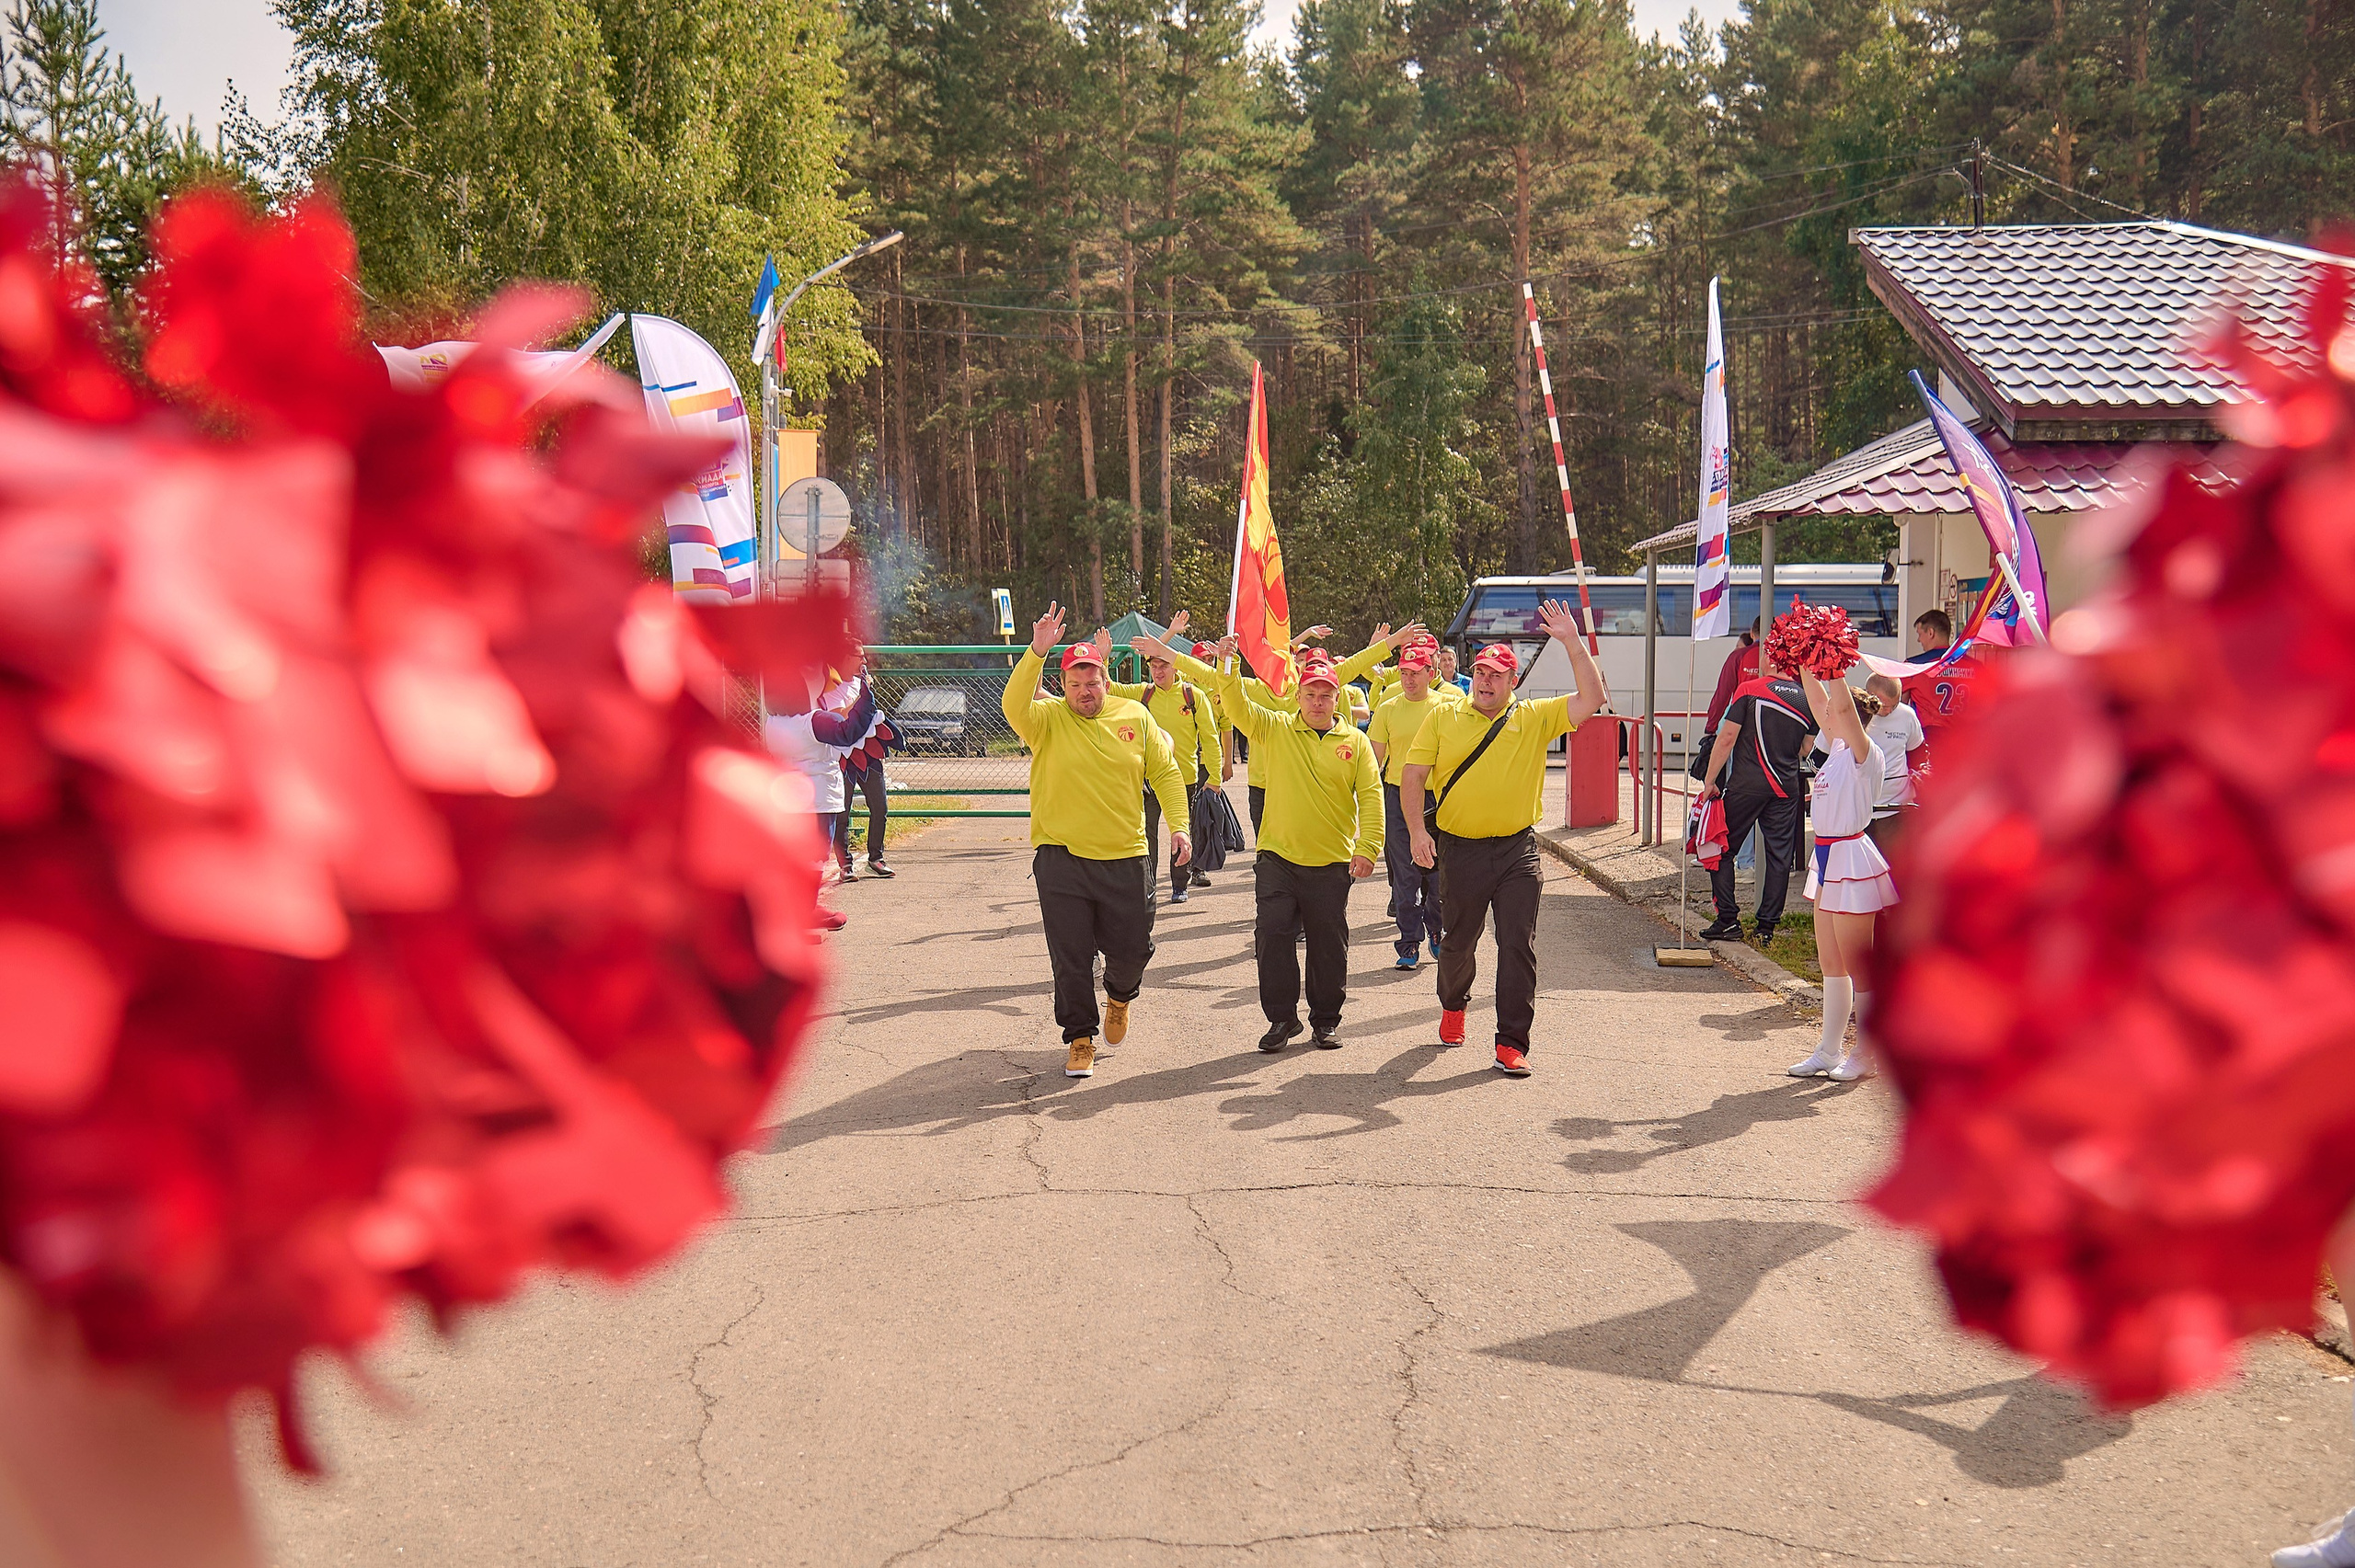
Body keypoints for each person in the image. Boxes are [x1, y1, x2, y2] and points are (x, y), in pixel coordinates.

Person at [1402, 601, 1610, 1079]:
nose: (1485, 681)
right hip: (1460, 849)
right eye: (1479, 672)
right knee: (1457, 945)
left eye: (1496, 675)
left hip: (1518, 850)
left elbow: (1592, 698)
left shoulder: (1535, 717)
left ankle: (1511, 1043)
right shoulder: (1443, 718)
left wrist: (1572, 641)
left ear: (1512, 681)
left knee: (1517, 944)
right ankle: (1453, 1004)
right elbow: (1413, 776)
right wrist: (1417, 832)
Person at [1002, 602, 1191, 1080]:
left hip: (1125, 856)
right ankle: (1080, 1038)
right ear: (1063, 687)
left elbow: (1166, 773)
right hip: (1061, 858)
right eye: (1075, 684)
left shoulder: (1136, 717)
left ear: (1106, 679)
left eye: (1092, 682)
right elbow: (1012, 705)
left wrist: (1179, 825)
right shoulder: (1045, 721)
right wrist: (1036, 652)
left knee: (1131, 951)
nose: (1085, 692)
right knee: (1069, 954)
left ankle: (1120, 996)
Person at [1205, 642, 1382, 1050]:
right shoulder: (1278, 727)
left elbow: (1371, 796)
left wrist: (1368, 847)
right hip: (1278, 859)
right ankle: (1282, 1019)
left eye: (1325, 695)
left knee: (1327, 944)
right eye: (1310, 694)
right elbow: (1236, 706)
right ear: (1298, 696)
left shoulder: (1354, 742)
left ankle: (1325, 1020)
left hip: (1331, 862)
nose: (1318, 702)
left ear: (1338, 698)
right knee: (1272, 936)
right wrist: (1228, 661)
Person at [1140, 612, 1423, 839]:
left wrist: (1394, 641)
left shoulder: (1307, 688)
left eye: (1284, 660)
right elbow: (1206, 672)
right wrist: (1164, 651)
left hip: (1300, 783)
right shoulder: (1251, 689)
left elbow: (1356, 663)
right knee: (1267, 853)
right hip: (1261, 786)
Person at [1783, 675, 1898, 1082]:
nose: (1826, 712)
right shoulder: (1834, 750)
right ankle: (1829, 1049)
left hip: (1850, 856)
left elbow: (1842, 707)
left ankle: (1867, 1051)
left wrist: (1834, 671)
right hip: (1827, 856)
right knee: (1832, 964)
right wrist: (1806, 662)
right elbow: (1820, 703)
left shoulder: (1866, 754)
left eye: (1834, 708)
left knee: (1857, 964)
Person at [1694, 648, 1816, 944]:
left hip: (1746, 785)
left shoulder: (1749, 690)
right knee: (1778, 859)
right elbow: (1806, 748)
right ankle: (1766, 929)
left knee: (1720, 848)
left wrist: (1710, 780)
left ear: (1772, 661)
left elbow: (1726, 738)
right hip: (1785, 789)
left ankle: (1727, 920)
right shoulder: (1806, 699)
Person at [1107, 640, 1228, 904]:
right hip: (1148, 780)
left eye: (1164, 665)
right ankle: (1147, 884)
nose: (1159, 671)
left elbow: (1210, 738)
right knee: (1147, 832)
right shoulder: (1144, 694)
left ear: (1176, 667)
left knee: (1181, 832)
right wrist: (1104, 659)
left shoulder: (1193, 697)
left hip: (1185, 778)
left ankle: (1179, 884)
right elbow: (1109, 689)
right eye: (1154, 666)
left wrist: (1215, 778)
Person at [1367, 641, 1459, 970]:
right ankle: (1408, 943)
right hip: (1397, 797)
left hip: (1437, 799)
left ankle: (1436, 930)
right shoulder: (1388, 709)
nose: (1408, 680)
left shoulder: (1448, 705)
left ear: (1430, 673)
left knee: (1436, 876)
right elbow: (1373, 760)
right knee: (1404, 876)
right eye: (1404, 673)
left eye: (1415, 673)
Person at [763, 676, 878, 933]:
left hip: (787, 797)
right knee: (815, 857)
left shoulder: (773, 723)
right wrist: (865, 695)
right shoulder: (812, 721)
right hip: (818, 798)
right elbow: (849, 732)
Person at [1859, 670, 1923, 853]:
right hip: (1863, 808)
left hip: (1897, 809)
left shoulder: (1907, 715)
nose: (1890, 711)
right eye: (1886, 706)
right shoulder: (1856, 716)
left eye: (1895, 705)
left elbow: (1917, 755)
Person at [1702, 620, 1763, 730]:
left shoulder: (1738, 657)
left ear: (1752, 633)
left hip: (1744, 725)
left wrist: (1711, 727)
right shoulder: (1785, 658)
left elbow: (1722, 694)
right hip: (1777, 726)